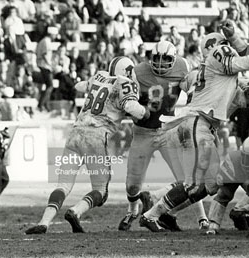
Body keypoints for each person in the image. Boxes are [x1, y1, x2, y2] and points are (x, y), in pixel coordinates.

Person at [140, 25, 249, 232]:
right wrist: (235, 38)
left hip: (195, 125)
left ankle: (162, 213)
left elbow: (240, 96)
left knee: (209, 185)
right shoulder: (220, 54)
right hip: (198, 124)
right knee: (197, 183)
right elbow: (244, 59)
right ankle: (152, 214)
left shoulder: (211, 75)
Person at [25, 56, 150, 234]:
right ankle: (76, 211)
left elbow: (79, 86)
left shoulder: (99, 76)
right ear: (127, 71)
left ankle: (44, 222)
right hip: (96, 136)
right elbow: (131, 107)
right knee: (100, 191)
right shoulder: (125, 83)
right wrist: (145, 113)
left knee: (63, 185)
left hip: (75, 134)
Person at [118, 40, 209, 232]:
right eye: (157, 58)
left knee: (186, 180)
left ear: (173, 58)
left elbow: (191, 85)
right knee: (132, 185)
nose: (160, 63)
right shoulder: (138, 71)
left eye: (165, 58)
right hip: (143, 132)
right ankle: (132, 210)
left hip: (168, 131)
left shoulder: (183, 66)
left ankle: (202, 218)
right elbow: (127, 100)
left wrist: (193, 88)